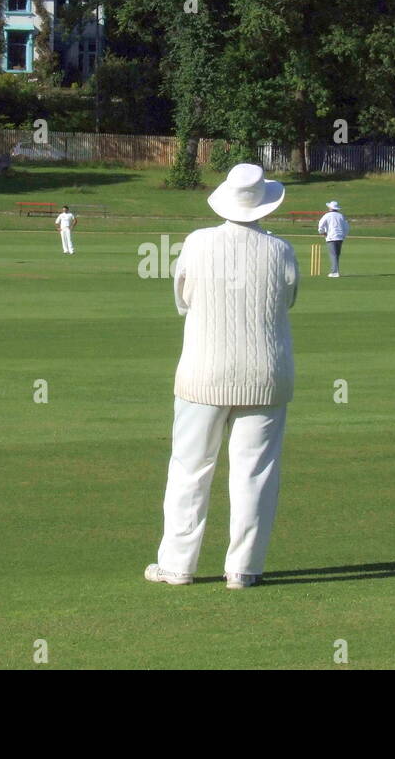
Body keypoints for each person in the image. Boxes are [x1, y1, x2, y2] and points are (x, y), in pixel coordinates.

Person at [145, 163, 298, 591]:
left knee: (190, 468)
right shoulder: (282, 250)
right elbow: (287, 301)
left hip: (203, 372)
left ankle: (177, 566)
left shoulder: (197, 243)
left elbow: (183, 299)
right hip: (266, 372)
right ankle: (244, 569)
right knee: (255, 472)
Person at [316, 200, 349, 277]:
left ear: (330, 208)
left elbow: (320, 224)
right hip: (340, 237)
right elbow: (346, 227)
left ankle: (334, 272)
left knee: (333, 255)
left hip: (331, 237)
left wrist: (322, 232)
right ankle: (336, 270)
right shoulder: (341, 215)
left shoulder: (327, 215)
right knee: (336, 255)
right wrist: (344, 235)